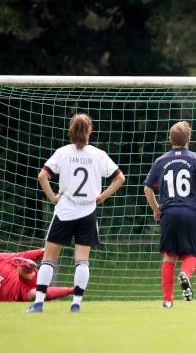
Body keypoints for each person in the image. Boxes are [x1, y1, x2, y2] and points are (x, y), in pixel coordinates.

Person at [28, 113, 126, 313]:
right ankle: (76, 304)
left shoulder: (63, 153)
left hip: (64, 211)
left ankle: (38, 303)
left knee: (49, 258)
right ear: (90, 131)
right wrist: (102, 197)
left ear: (70, 131)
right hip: (87, 212)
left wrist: (52, 197)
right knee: (82, 260)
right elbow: (119, 178)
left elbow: (42, 175)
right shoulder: (98, 154)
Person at [143, 121, 196, 309]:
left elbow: (147, 188)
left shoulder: (161, 161)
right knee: (191, 255)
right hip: (190, 212)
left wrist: (156, 209)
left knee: (169, 256)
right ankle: (185, 273)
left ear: (170, 139)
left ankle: (167, 300)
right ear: (189, 138)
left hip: (168, 213)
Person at [0, 248, 73, 302]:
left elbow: (23, 254)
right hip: (19, 295)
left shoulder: (0, 257)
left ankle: (28, 266)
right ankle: (73, 290)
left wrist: (42, 252)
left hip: (24, 279)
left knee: (20, 268)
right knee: (34, 294)